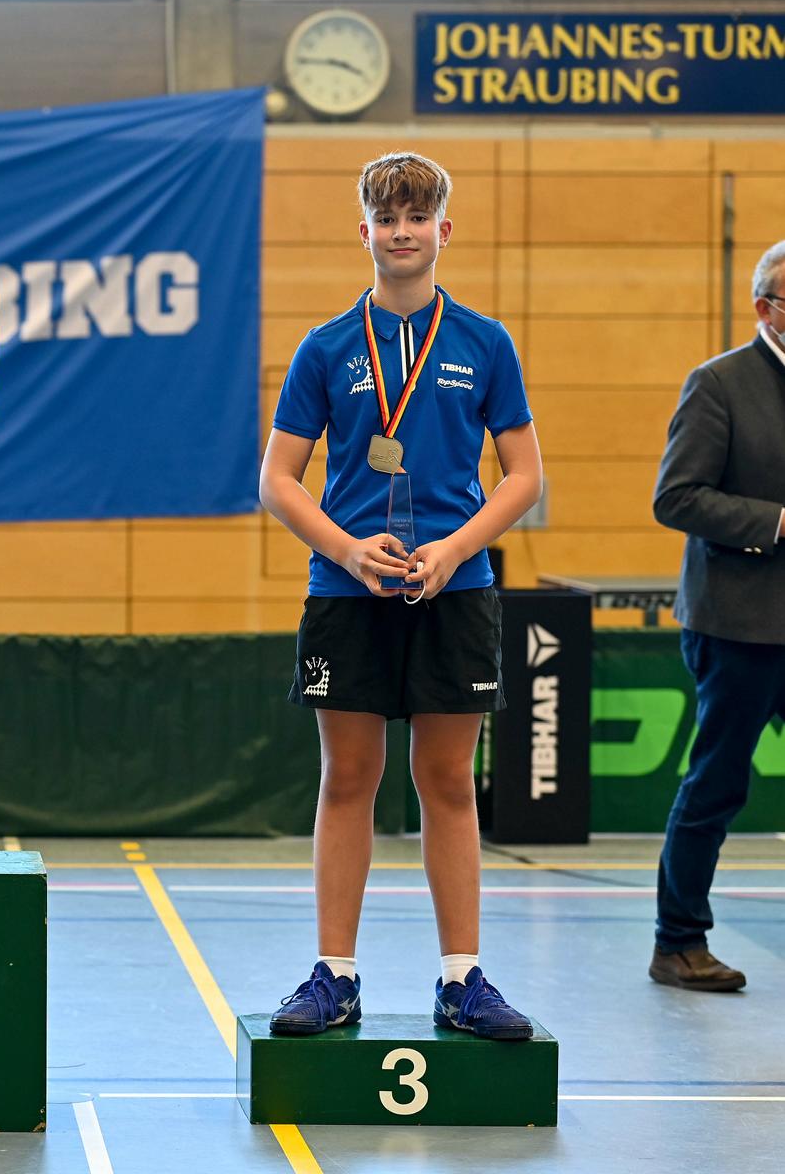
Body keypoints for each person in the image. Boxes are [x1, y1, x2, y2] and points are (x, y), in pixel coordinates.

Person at [257, 152, 544, 1039]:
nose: (403, 232)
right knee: (348, 778)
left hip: (455, 591)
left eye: (418, 217)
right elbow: (278, 479)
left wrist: (455, 549)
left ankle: (462, 979)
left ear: (443, 230)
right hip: (348, 596)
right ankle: (334, 976)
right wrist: (346, 550)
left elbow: (524, 477)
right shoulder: (326, 347)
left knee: (447, 780)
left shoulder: (486, 344)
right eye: (387, 218)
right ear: (366, 232)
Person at [647, 240, 785, 992]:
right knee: (718, 784)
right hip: (739, 625)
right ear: (766, 308)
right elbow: (677, 497)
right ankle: (678, 942)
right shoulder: (720, 383)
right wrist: (777, 521)